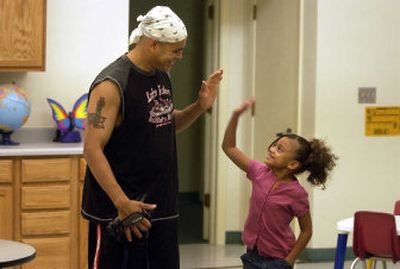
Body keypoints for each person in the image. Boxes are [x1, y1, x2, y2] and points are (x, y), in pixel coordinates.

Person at [81, 6, 223, 269]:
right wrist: (122, 203)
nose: (180, 56)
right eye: (176, 50)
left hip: (161, 208)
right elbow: (92, 150)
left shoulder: (162, 75)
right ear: (154, 44)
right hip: (120, 212)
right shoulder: (111, 85)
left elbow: (166, 123)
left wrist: (199, 106)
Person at [222, 97, 337, 269]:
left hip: (277, 260)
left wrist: (289, 260)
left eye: (279, 149)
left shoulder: (297, 193)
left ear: (292, 164)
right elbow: (228, 147)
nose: (272, 149)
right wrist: (235, 116)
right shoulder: (259, 172)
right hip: (251, 254)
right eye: (275, 145)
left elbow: (306, 231)